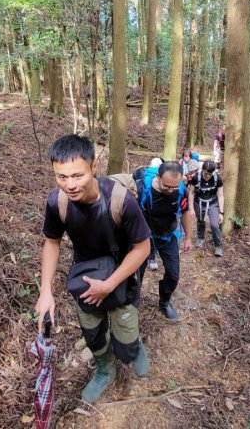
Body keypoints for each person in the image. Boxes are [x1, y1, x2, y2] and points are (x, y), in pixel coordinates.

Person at [36, 134, 151, 404]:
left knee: (126, 347)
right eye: (61, 177)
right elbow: (51, 243)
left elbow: (143, 249)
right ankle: (104, 370)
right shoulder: (57, 203)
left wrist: (109, 285)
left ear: (94, 167)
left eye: (78, 175)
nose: (70, 185)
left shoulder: (121, 200)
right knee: (93, 334)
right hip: (86, 275)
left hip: (124, 275)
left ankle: (133, 343)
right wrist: (45, 292)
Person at [139, 161, 192, 322]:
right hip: (143, 237)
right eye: (166, 186)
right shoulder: (141, 189)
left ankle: (164, 301)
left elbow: (185, 212)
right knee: (135, 274)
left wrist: (188, 238)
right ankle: (132, 303)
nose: (170, 190)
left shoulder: (181, 190)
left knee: (173, 274)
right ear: (158, 177)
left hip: (167, 236)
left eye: (173, 187)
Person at [189, 159, 224, 256]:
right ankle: (200, 238)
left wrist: (221, 212)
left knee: (215, 225)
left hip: (213, 203)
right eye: (206, 173)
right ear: (202, 170)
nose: (207, 176)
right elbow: (191, 193)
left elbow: (221, 196)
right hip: (199, 203)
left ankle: (218, 246)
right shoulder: (196, 177)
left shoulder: (218, 179)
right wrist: (191, 208)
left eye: (210, 174)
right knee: (200, 221)